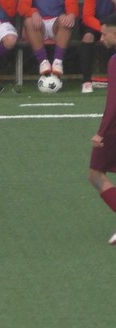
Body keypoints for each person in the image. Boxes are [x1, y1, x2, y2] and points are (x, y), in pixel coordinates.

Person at [89, 14, 116, 245]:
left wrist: (102, 131)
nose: (101, 37)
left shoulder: (115, 61)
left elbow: (113, 101)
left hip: (114, 131)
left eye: (105, 33)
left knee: (96, 174)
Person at [18, 0, 79, 77]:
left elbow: (72, 4)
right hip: (38, 23)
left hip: (57, 23)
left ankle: (58, 61)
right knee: (29, 22)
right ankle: (43, 62)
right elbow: (22, 7)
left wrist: (71, 14)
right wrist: (33, 13)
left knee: (65, 20)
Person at [79, 0, 116, 93]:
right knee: (88, 37)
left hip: (113, 26)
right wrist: (104, 31)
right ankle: (86, 81)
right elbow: (87, 17)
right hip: (95, 25)